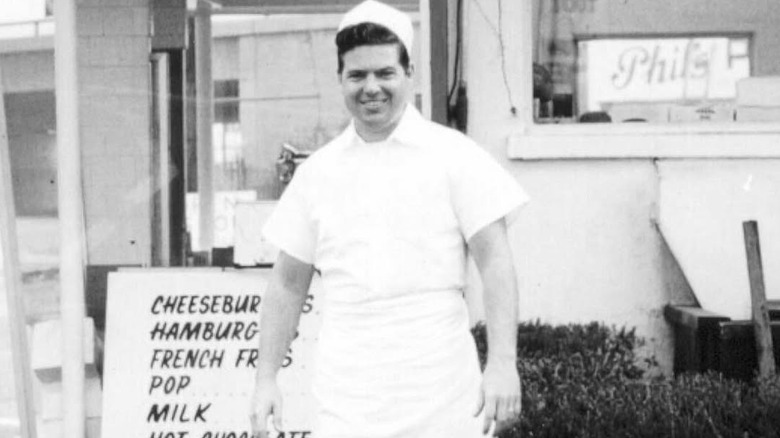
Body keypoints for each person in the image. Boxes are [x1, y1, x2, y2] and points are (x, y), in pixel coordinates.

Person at [249, 1, 529, 437]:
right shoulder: (317, 174)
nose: (371, 87)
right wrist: (266, 378)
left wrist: (502, 365)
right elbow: (287, 283)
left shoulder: (453, 155)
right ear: (339, 79)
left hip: (442, 389)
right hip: (348, 394)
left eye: (384, 73)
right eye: (357, 75)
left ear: (409, 74)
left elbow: (495, 262)